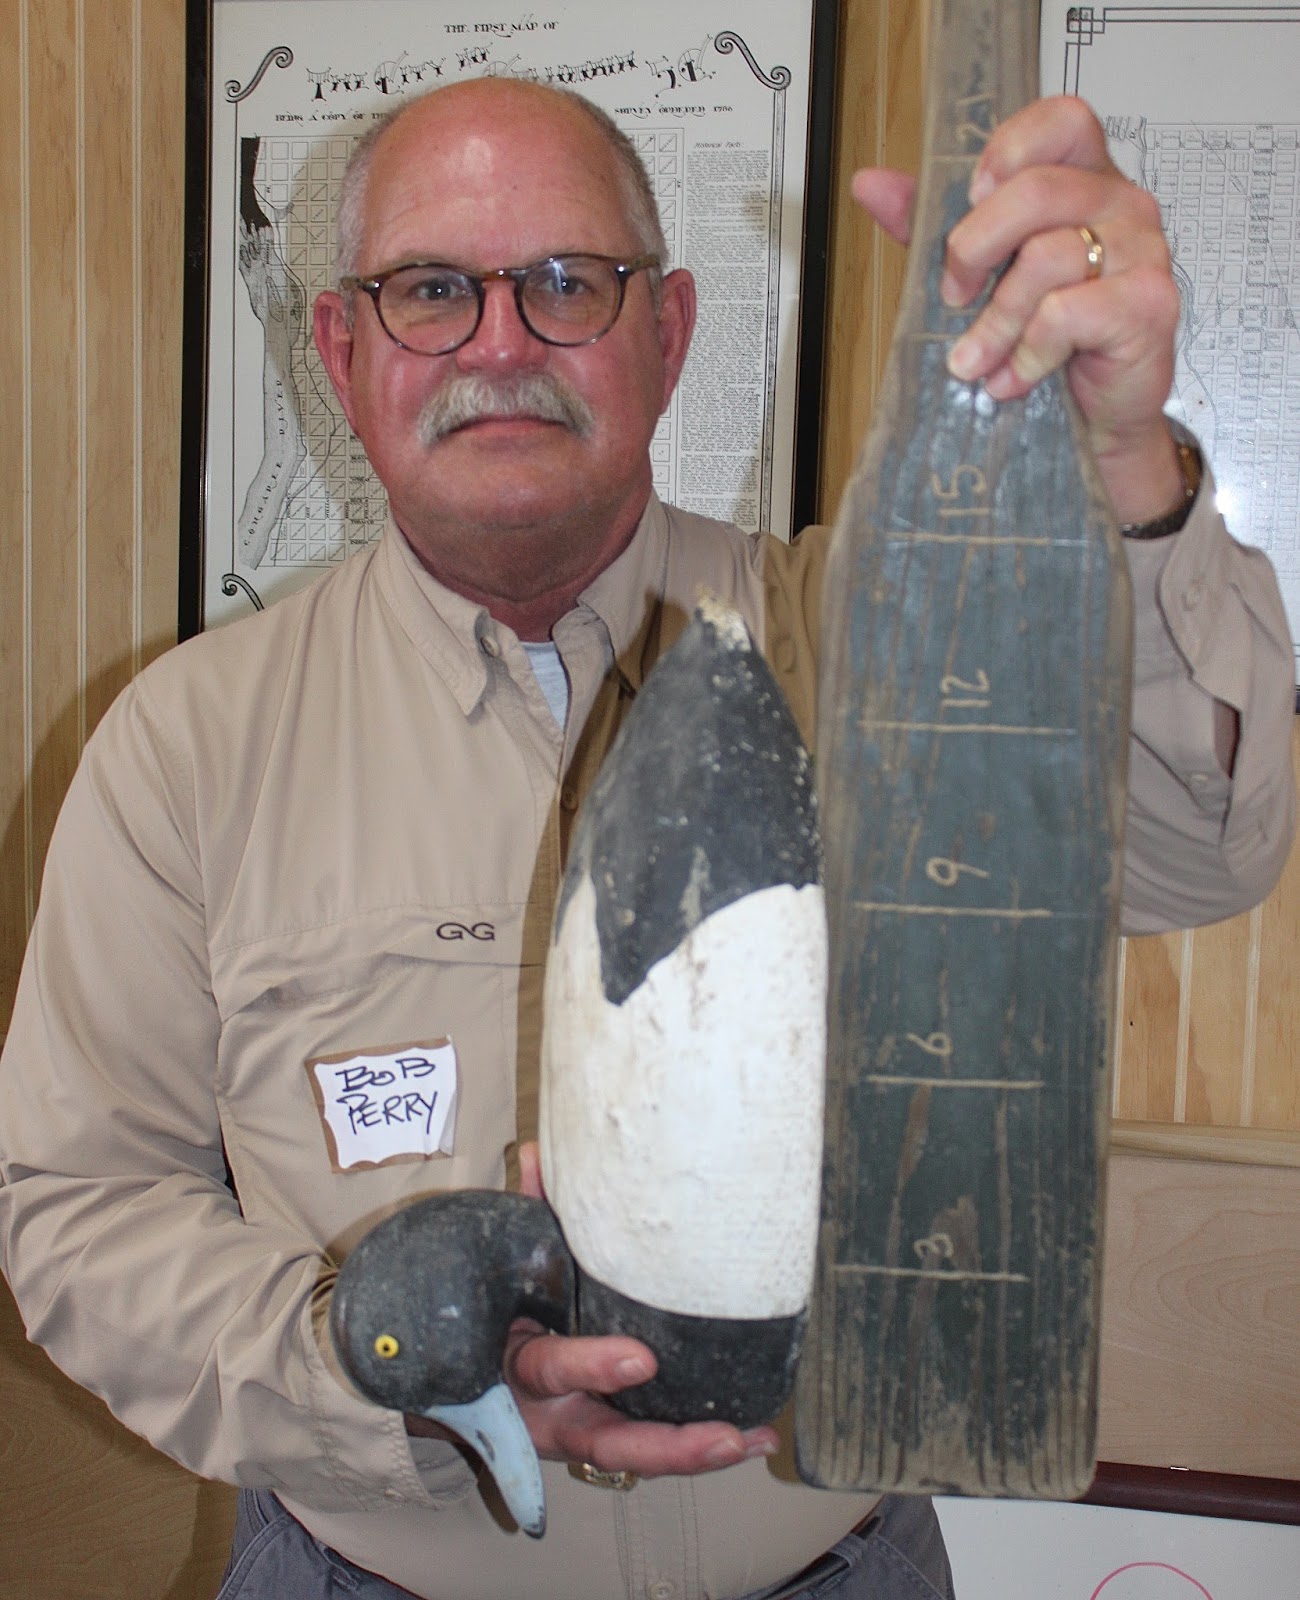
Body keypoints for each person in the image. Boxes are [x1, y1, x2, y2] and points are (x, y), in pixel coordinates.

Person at [0, 76, 1294, 1600]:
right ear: (343, 356)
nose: (500, 343)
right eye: (432, 290)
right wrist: (392, 1388)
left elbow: (1201, 837)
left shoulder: (869, 657)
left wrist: (1130, 471)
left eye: (567, 283)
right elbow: (80, 1213)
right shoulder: (184, 747)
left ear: (669, 335)